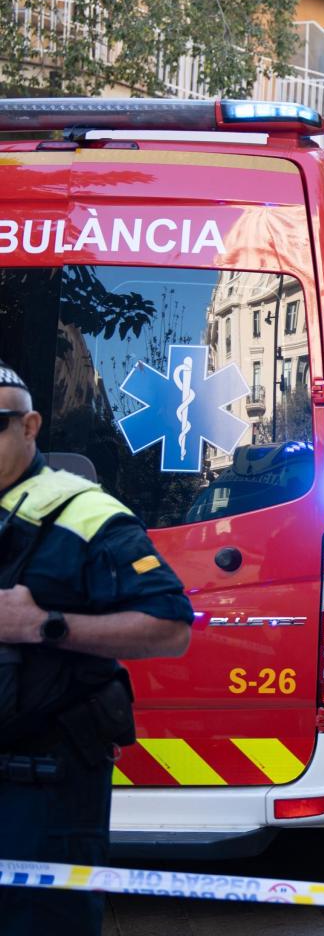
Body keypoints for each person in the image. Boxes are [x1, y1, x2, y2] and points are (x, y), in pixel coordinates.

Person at [0, 361, 193, 934]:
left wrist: (46, 625)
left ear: (29, 426)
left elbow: (172, 626)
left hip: (44, 787)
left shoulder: (86, 513)